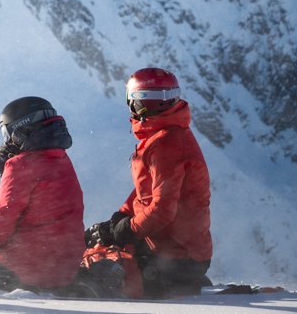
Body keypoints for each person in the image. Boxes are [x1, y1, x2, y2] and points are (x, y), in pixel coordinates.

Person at [84, 67, 212, 298]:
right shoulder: (170, 134)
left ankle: (167, 281)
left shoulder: (165, 144)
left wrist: (123, 229)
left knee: (95, 273)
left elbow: (162, 210)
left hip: (174, 256)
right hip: (178, 251)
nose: (151, 105)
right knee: (102, 248)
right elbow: (147, 190)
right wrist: (119, 218)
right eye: (148, 99)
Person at [0, 96, 84, 291]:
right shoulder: (61, 159)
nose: (7, 142)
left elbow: (2, 224)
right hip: (63, 270)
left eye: (7, 134)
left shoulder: (20, 165)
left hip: (24, 267)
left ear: (21, 131)